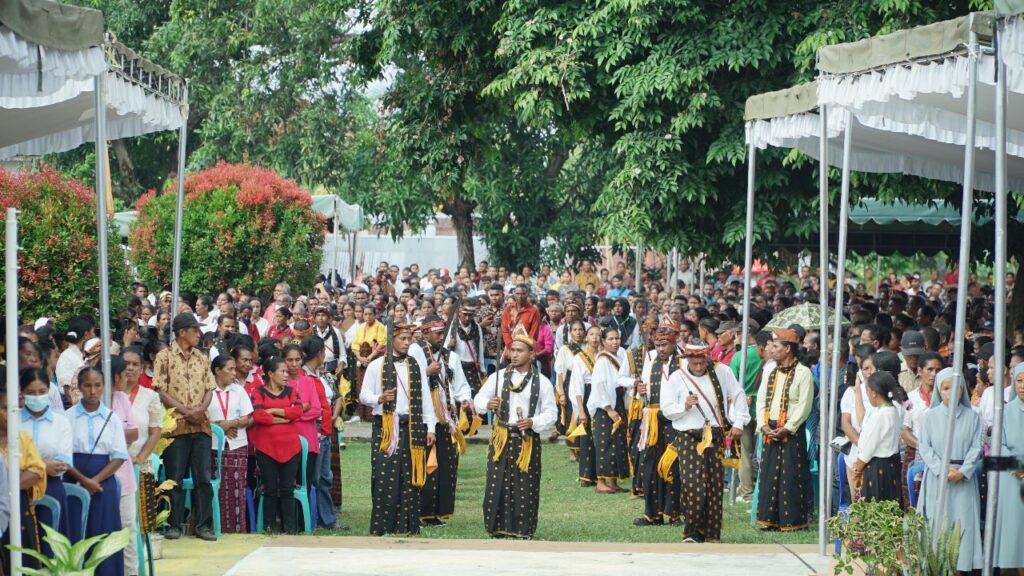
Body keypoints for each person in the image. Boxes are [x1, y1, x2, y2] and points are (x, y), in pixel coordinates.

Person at [473, 324, 557, 538]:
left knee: (525, 484)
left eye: (520, 350)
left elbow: (551, 414)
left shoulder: (543, 382)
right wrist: (487, 403)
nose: (514, 354)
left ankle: (522, 528)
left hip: (527, 440)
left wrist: (533, 421)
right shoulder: (498, 377)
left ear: (531, 354)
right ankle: (496, 527)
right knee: (497, 482)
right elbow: (478, 399)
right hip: (501, 438)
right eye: (512, 350)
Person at [662, 338, 747, 542]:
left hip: (715, 435)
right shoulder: (676, 377)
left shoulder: (722, 371)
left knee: (714, 486)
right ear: (687, 358)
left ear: (707, 357)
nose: (698, 365)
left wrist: (739, 423)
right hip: (688, 437)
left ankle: (711, 534)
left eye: (702, 360)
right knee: (693, 484)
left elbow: (738, 394)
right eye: (694, 361)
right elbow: (666, 409)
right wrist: (684, 406)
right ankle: (691, 532)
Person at [359, 322, 437, 536]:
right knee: (384, 475)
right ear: (392, 338)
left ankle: (407, 525)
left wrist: (430, 427)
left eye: (409, 339)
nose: (406, 342)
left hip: (412, 426)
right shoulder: (377, 365)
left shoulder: (415, 365)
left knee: (410, 476)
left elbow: (425, 399)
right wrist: (379, 398)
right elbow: (363, 395)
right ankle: (383, 525)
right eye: (402, 338)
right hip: (386, 428)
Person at [152, 312, 216, 541]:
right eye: (194, 330)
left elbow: (210, 388)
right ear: (181, 332)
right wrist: (186, 410)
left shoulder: (202, 357)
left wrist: (199, 410)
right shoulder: (164, 356)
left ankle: (203, 525)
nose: (198, 334)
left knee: (203, 479)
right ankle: (173, 524)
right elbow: (160, 389)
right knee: (174, 477)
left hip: (201, 425)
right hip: (177, 424)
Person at [917, 367, 983, 573]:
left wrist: (962, 471)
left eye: (956, 388)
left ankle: (962, 570)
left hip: (964, 479)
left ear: (963, 390)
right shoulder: (928, 417)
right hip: (938, 479)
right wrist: (942, 470)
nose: (951, 393)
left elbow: (977, 446)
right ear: (939, 390)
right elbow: (924, 448)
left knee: (963, 526)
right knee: (938, 525)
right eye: (946, 388)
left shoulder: (974, 417)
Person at [66, 367, 127, 576]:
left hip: (103, 484)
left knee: (104, 534)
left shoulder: (112, 418)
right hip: (74, 482)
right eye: (88, 385)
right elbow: (63, 457)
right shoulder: (68, 417)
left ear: (103, 387)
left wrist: (95, 480)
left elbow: (119, 456)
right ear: (80, 387)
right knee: (77, 533)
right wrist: (83, 480)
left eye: (97, 385)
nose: (93, 391)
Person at [755, 328, 814, 532]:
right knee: (769, 473)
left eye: (776, 346)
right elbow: (761, 399)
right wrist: (762, 424)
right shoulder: (770, 370)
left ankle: (792, 521)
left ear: (788, 349)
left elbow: (804, 406)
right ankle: (768, 519)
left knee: (790, 475)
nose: (771, 349)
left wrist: (787, 428)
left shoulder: (803, 372)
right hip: (769, 428)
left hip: (791, 430)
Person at [418, 315, 472, 526]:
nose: (441, 337)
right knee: (427, 466)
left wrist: (466, 401)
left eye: (443, 333)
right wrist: (426, 372)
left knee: (446, 467)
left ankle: (438, 512)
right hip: (423, 419)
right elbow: (406, 380)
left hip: (447, 420)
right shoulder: (416, 353)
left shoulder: (452, 357)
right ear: (425, 333)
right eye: (437, 333)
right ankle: (421, 512)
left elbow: (461, 385)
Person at [633, 321, 682, 526]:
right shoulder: (651, 360)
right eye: (658, 344)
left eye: (665, 344)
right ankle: (652, 514)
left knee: (672, 465)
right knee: (649, 465)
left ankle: (674, 514)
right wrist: (640, 390)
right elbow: (642, 388)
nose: (661, 349)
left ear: (673, 343)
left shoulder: (682, 363)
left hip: (674, 420)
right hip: (652, 419)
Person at [250, 356, 304, 533]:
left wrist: (273, 411)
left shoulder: (291, 391)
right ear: (270, 374)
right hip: (267, 449)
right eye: (282, 371)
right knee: (270, 489)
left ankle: (290, 528)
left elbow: (297, 411)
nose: (286, 375)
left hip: (291, 448)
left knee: (288, 489)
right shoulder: (258, 392)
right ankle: (268, 525)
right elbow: (258, 416)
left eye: (286, 372)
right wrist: (284, 418)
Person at [18, 368, 73, 542]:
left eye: (41, 392)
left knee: (52, 545)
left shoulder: (61, 423)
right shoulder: (13, 421)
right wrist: (43, 465)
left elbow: (62, 465)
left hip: (52, 488)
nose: (37, 396)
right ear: (22, 392)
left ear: (49, 390)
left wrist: (30, 467)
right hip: (20, 490)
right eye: (31, 392)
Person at [206, 354, 253, 534]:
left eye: (235, 369)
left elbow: (247, 417)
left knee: (236, 488)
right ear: (217, 371)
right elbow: (203, 417)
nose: (234, 373)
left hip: (236, 444)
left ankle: (236, 529)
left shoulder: (238, 391)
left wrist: (229, 424)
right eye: (230, 369)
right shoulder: (208, 390)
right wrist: (220, 427)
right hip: (212, 444)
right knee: (215, 488)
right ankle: (214, 527)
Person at [300, 336, 342, 530]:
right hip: (314, 434)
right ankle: (314, 517)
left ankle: (327, 518)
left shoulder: (319, 375)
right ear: (318, 354)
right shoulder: (304, 377)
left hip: (324, 432)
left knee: (325, 478)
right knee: (314, 478)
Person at [851, 372, 907, 503]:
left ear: (873, 392)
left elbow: (867, 450)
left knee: (874, 514)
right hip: (891, 467)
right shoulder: (893, 410)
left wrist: (857, 470)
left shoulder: (880, 416)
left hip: (877, 469)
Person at [588, 327, 631, 494]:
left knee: (617, 444)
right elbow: (599, 386)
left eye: (617, 339)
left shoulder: (618, 356)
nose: (615, 342)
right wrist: (608, 408)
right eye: (611, 339)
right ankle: (601, 482)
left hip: (617, 403)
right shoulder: (602, 361)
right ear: (603, 341)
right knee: (604, 444)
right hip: (604, 408)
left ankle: (613, 482)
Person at [108, 357, 140, 575]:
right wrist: (119, 434)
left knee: (128, 530)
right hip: (99, 474)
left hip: (124, 473)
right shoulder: (91, 401)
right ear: (115, 376)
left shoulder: (122, 398)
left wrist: (112, 434)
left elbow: (134, 433)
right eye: (123, 372)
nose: (128, 375)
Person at [993, 362, 1024, 572]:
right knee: (1015, 531)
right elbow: (997, 447)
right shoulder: (1004, 412)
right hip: (1012, 478)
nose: (1023, 386)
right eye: (1020, 381)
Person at [730, 324, 764, 503]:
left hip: (743, 409)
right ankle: (754, 488)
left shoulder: (738, 357)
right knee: (760, 453)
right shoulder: (765, 356)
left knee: (745, 453)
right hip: (762, 409)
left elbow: (732, 385)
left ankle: (747, 490)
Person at [568, 326, 602, 486]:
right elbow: (576, 385)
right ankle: (586, 476)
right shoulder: (579, 358)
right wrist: (581, 410)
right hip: (587, 395)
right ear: (587, 337)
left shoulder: (604, 355)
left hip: (602, 395)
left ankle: (602, 473)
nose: (595, 338)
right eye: (592, 334)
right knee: (587, 436)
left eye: (598, 335)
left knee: (601, 435)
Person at [554, 320, 586, 461]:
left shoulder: (588, 347)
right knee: (569, 418)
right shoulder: (565, 349)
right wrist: (561, 393)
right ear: (570, 332)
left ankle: (583, 448)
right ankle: (572, 451)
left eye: (580, 330)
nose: (578, 333)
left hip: (585, 384)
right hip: (569, 384)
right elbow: (560, 373)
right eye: (575, 330)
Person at [351, 305, 386, 422]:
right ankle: (362, 413)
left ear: (375, 315)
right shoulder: (360, 327)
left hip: (374, 358)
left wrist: (370, 357)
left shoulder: (380, 327)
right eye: (365, 314)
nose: (367, 316)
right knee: (361, 385)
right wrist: (360, 357)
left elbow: (381, 344)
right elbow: (355, 344)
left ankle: (372, 413)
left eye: (370, 314)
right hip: (362, 359)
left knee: (374, 384)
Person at [453, 299, 486, 398]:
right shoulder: (452, 327)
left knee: (475, 395)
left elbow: (479, 348)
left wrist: (482, 368)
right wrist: (450, 345)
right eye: (464, 314)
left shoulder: (477, 328)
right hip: (458, 366)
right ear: (459, 312)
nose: (467, 318)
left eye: (470, 315)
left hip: (472, 367)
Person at [500, 285, 541, 362]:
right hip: (510, 352)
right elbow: (505, 331)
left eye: (523, 294)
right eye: (518, 294)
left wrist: (522, 349)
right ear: (514, 294)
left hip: (526, 353)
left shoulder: (534, 311)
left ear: (527, 294)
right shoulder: (508, 310)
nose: (520, 296)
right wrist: (512, 347)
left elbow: (533, 334)